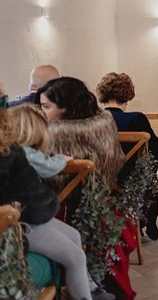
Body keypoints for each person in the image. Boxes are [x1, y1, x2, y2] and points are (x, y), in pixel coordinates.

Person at [8, 103, 115, 300]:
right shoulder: (22, 152)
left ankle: (86, 288)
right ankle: (85, 295)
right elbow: (47, 166)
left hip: (33, 216)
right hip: (23, 223)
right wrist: (63, 160)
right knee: (76, 257)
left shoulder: (19, 151)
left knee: (74, 235)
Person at [97, 72, 158, 240]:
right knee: (148, 173)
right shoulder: (137, 118)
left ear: (103, 95)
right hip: (130, 177)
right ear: (127, 95)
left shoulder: (94, 119)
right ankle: (145, 222)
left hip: (101, 176)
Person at [35, 77, 124, 190]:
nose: (41, 111)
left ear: (67, 108)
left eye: (46, 106)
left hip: (62, 200)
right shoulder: (103, 125)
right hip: (102, 194)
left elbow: (48, 179)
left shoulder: (55, 134)